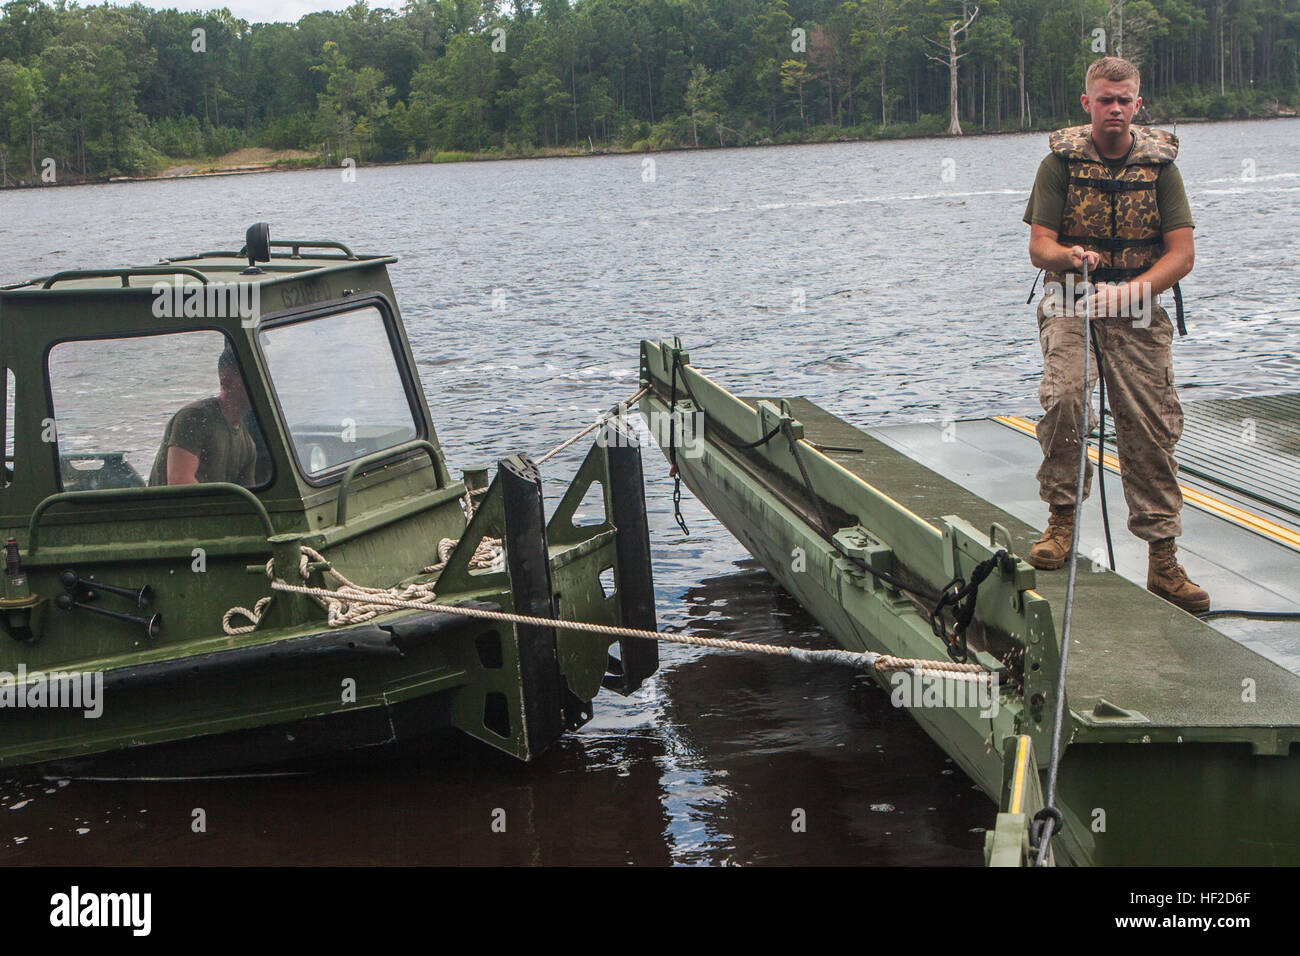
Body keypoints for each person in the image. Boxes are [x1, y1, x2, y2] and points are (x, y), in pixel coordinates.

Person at [1022, 55, 1208, 613]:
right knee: (1066, 399)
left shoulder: (1160, 169)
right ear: (1088, 104)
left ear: (1138, 104)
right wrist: (1069, 254)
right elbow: (1039, 246)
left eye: (1125, 100)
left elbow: (1182, 255)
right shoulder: (1058, 165)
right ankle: (1060, 519)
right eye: (1106, 99)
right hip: (1071, 293)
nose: (1116, 109)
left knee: (1150, 422)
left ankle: (1163, 556)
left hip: (1138, 299)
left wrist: (1132, 292)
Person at [148, 344, 259, 487]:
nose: (259, 384)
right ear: (226, 383)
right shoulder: (194, 418)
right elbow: (179, 483)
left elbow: (250, 498)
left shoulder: (248, 445)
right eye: (252, 377)